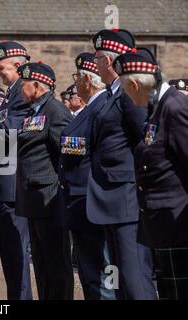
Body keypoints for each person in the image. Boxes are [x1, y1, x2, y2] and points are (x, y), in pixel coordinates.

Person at [88, 28, 157, 299]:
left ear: (107, 61)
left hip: (126, 197)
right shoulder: (110, 94)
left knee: (134, 277)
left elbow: (147, 139)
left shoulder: (129, 91)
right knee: (118, 277)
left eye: (96, 58)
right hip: (109, 199)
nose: (94, 64)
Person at [115, 49, 188, 300]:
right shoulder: (157, 109)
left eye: (125, 88)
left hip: (178, 223)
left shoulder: (174, 107)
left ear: (134, 83)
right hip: (162, 225)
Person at [15, 62, 74, 300]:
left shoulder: (55, 111)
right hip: (33, 199)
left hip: (49, 197)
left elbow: (67, 154)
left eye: (24, 84)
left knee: (57, 261)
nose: (21, 90)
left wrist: (60, 186)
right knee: (40, 262)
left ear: (37, 85)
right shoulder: (34, 112)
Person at [59, 52, 115, 300]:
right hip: (79, 198)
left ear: (88, 80)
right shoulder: (89, 109)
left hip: (92, 199)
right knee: (89, 270)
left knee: (103, 272)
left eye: (77, 77)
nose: (75, 83)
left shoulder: (102, 106)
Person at [0, 41, 33, 300]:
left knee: (16, 252)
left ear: (17, 65)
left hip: (15, 185)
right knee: (9, 254)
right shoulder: (11, 93)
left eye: (2, 68)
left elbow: (8, 134)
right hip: (5, 185)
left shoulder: (21, 95)